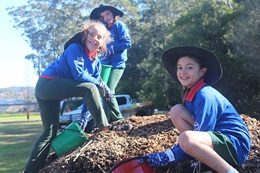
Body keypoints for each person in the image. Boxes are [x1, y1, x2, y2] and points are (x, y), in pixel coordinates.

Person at [23, 20, 125, 173]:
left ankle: (31, 170)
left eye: (99, 37)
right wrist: (99, 84)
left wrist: (112, 116)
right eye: (92, 34)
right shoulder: (75, 49)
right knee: (91, 86)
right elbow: (80, 76)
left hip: (51, 93)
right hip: (47, 84)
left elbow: (96, 93)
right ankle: (104, 127)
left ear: (103, 42)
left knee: (50, 132)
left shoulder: (96, 63)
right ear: (85, 35)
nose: (95, 39)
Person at [138, 46, 250, 173]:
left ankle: (229, 171)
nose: (183, 72)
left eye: (189, 67)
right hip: (216, 140)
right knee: (176, 111)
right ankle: (204, 160)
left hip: (234, 145)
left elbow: (203, 131)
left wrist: (171, 154)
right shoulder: (192, 94)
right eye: (180, 67)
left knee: (186, 138)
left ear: (202, 72)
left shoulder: (205, 95)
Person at [64, 4, 131, 131]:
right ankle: (100, 121)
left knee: (109, 88)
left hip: (117, 63)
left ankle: (116, 119)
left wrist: (111, 48)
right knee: (98, 89)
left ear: (113, 13)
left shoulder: (119, 26)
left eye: (107, 14)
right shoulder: (102, 29)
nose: (106, 17)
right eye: (103, 16)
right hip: (105, 63)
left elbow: (127, 42)